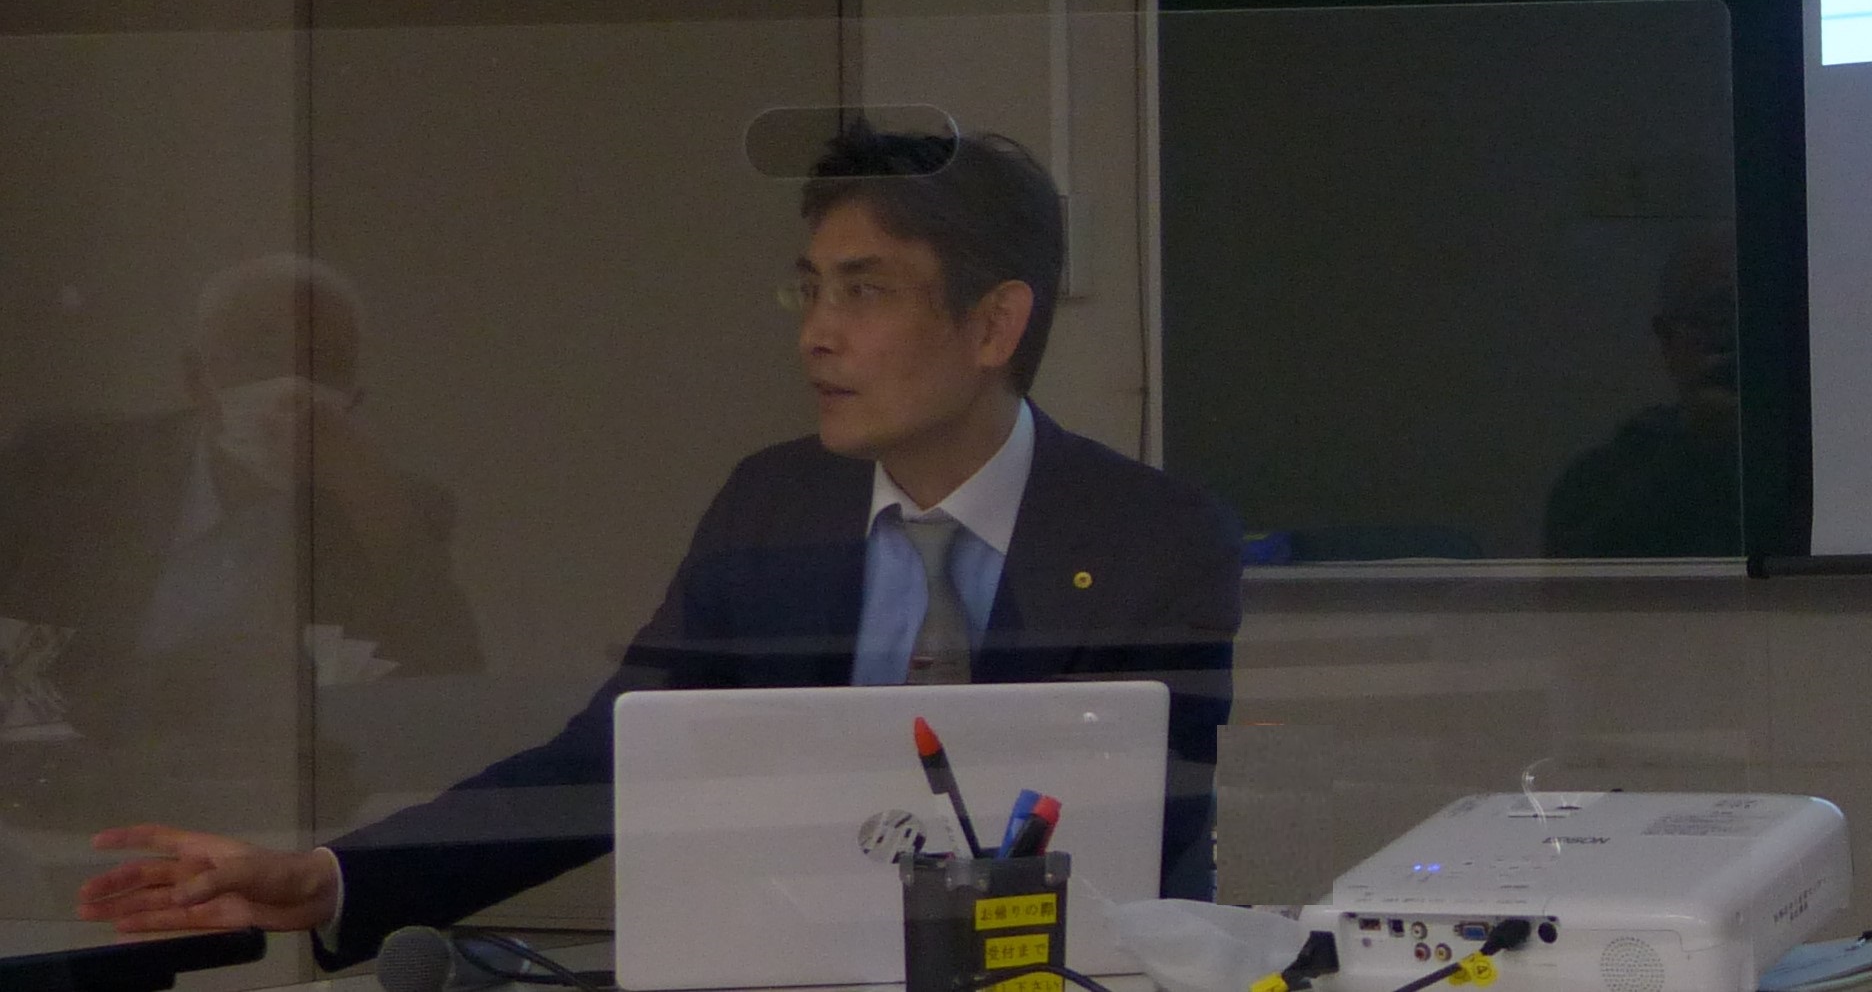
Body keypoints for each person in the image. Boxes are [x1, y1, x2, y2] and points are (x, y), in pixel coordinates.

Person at [76, 123, 1241, 964]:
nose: (818, 335)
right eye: (809, 291)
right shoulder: (773, 506)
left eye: (865, 292)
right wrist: (332, 876)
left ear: (993, 322)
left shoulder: (1150, 535)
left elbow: (1146, 837)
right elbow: (608, 764)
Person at [0, 256, 480, 831]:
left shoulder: (384, 506)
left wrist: (369, 496)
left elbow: (449, 694)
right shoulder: (72, 466)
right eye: (261, 356)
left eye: (325, 367)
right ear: (197, 379)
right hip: (61, 807)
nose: (294, 391)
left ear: (354, 399)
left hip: (281, 820)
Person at [1540, 228, 1742, 557]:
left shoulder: (1822, 463)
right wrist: (1694, 451)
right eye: (1714, 316)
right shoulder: (1599, 483)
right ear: (1667, 339)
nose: (1735, 337)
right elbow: (1586, 573)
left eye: (1755, 313)